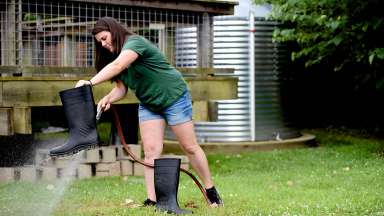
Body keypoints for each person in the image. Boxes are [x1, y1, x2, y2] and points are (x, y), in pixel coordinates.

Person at [75, 17, 222, 207]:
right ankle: (153, 200)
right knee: (151, 151)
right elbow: (121, 88)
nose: (103, 44)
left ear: (114, 31)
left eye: (104, 38)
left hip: (174, 97)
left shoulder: (135, 43)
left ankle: (211, 191)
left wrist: (89, 83)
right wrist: (108, 98)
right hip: (149, 103)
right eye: (100, 42)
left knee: (189, 147)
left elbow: (118, 66)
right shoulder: (114, 56)